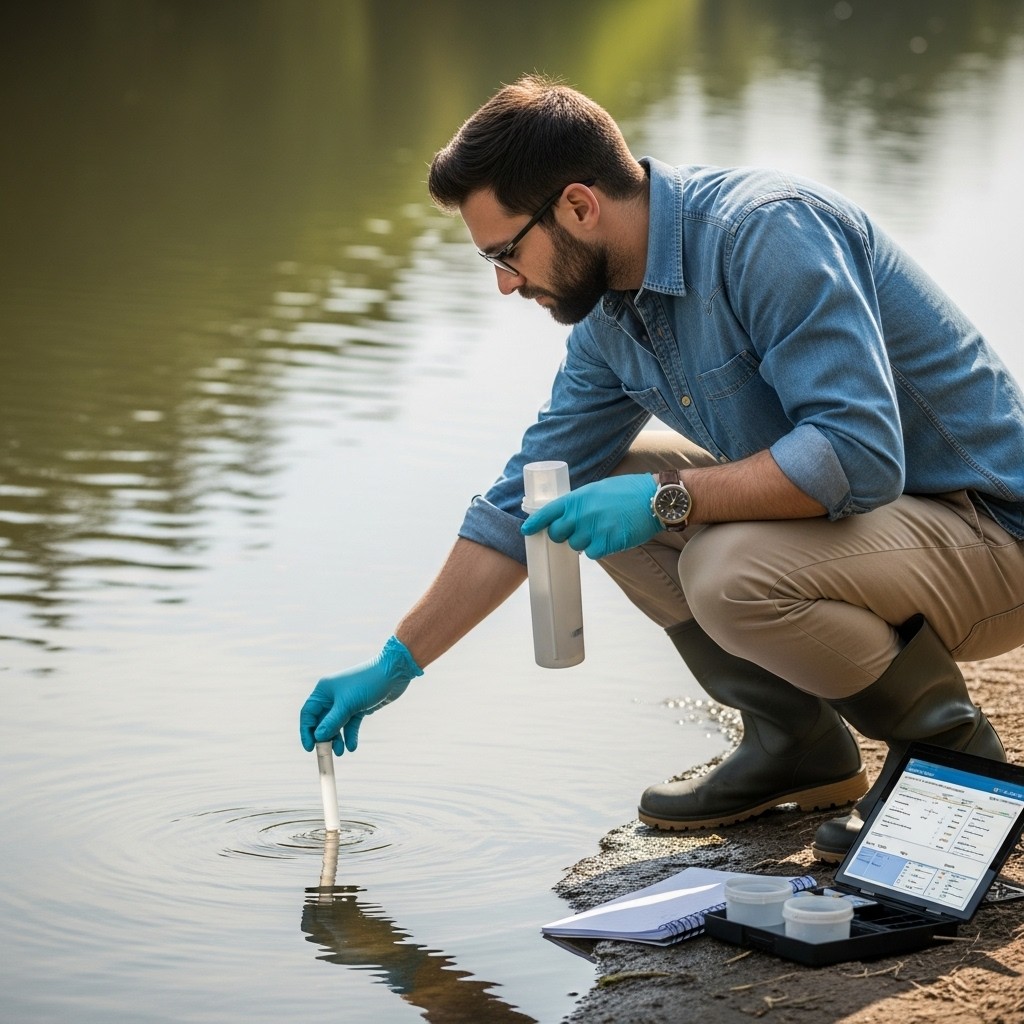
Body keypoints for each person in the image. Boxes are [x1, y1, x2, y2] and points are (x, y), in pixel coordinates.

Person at [299, 74, 1024, 862]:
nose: (506, 284)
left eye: (506, 253)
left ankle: (957, 766)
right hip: (885, 540)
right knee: (583, 484)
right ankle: (799, 742)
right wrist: (397, 662)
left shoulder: (767, 235)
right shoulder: (611, 313)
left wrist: (668, 500)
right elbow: (523, 496)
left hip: (990, 534)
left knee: (725, 568)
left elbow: (859, 455)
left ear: (579, 206)